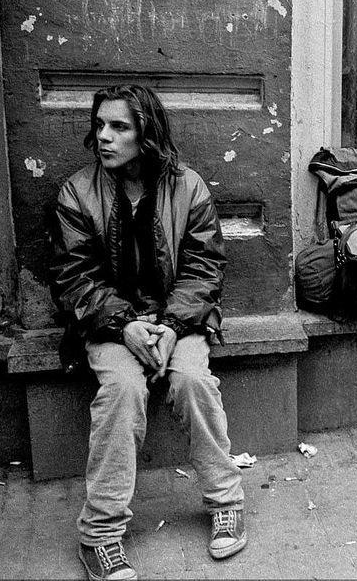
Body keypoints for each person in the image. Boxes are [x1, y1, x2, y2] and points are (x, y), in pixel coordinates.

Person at [51, 84, 245, 581]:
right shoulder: (78, 192)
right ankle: (100, 534)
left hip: (179, 318)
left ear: (147, 133)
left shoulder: (188, 187)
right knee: (121, 389)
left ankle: (226, 501)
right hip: (108, 323)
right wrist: (125, 325)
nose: (104, 137)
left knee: (193, 381)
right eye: (99, 125)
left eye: (119, 127)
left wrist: (172, 326)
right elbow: (74, 279)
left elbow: (204, 268)